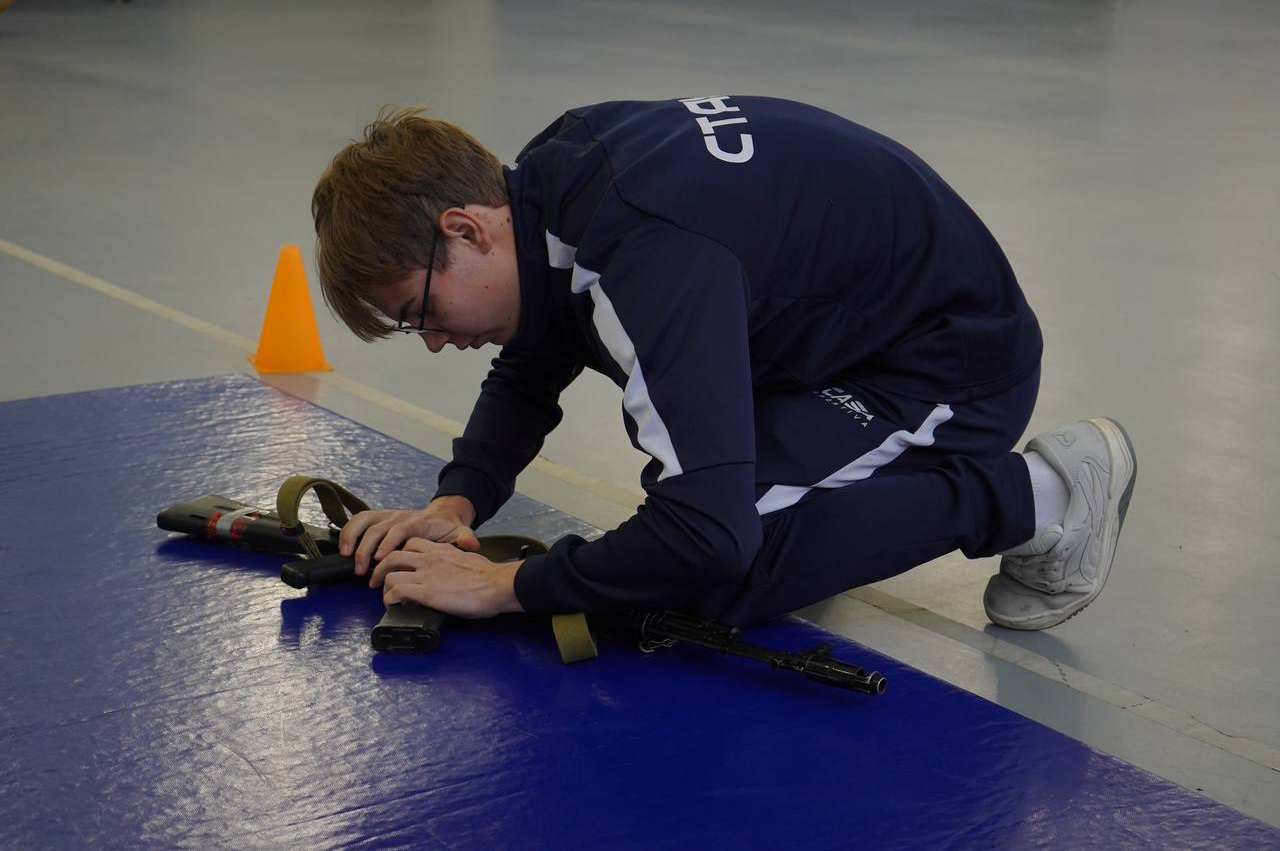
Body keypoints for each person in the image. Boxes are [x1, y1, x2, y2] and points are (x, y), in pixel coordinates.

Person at [310, 96, 1137, 631]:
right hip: (838, 341)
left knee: (702, 574)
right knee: (693, 518)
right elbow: (534, 359)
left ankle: (1047, 491)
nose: (430, 340)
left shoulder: (646, 251)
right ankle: (835, 505)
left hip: (949, 365)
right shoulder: (549, 183)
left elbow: (702, 538)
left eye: (420, 311)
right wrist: (458, 504)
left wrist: (504, 587)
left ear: (465, 229)